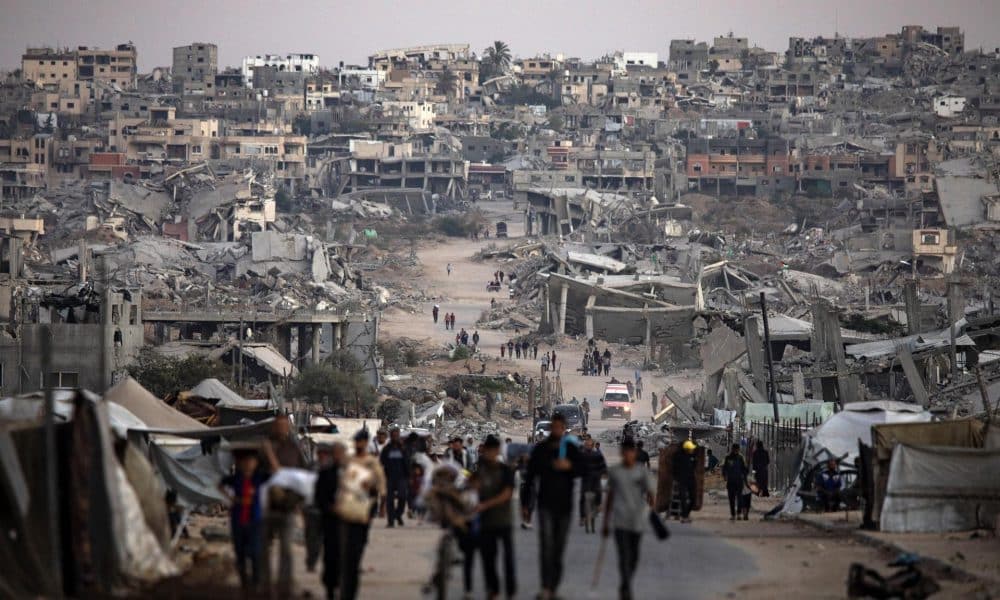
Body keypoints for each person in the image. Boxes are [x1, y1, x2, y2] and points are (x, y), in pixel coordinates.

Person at [527, 412, 580, 600]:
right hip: (545, 504)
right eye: (554, 427)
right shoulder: (542, 449)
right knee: (546, 547)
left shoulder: (571, 449)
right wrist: (526, 504)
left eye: (560, 428)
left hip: (564, 506)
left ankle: (554, 587)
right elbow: (530, 476)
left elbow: (583, 469)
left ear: (564, 429)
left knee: (558, 549)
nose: (557, 430)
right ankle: (545, 587)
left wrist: (569, 467)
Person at [603, 438, 654, 600]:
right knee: (623, 555)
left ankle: (626, 583)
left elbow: (651, 494)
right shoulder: (615, 471)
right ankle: (626, 586)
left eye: (630, 452)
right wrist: (605, 522)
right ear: (621, 453)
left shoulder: (642, 472)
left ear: (634, 453)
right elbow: (610, 497)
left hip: (637, 521)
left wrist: (651, 512)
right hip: (620, 521)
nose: (627, 455)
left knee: (634, 556)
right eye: (624, 452)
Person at [261, 414, 306, 597]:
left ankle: (284, 585)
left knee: (286, 549)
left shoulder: (294, 448)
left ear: (288, 428)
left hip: (287, 507)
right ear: (274, 427)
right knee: (263, 549)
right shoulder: (264, 448)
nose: (281, 429)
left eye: (284, 425)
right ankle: (264, 585)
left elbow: (302, 475)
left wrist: (298, 502)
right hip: (267, 508)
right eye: (278, 425)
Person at [339, 430, 387, 600]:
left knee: (360, 535)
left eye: (360, 441)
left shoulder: (371, 462)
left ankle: (356, 560)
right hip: (349, 503)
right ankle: (350, 563)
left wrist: (382, 505)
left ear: (365, 442)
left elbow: (380, 483)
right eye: (356, 441)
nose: (357, 444)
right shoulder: (349, 461)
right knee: (347, 537)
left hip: (367, 505)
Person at [473, 435, 517, 599]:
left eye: (493, 450)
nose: (490, 454)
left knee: (508, 558)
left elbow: (507, 494)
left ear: (497, 451)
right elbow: (473, 486)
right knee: (488, 557)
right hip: (486, 522)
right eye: (488, 450)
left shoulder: (505, 470)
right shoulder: (481, 470)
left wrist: (485, 505)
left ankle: (510, 590)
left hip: (503, 520)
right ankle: (493, 589)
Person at [220, 449, 267, 593]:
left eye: (251, 461)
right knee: (239, 552)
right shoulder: (236, 478)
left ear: (256, 463)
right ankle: (244, 582)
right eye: (245, 462)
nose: (247, 464)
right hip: (238, 520)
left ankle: (256, 582)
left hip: (255, 521)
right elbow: (220, 485)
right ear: (240, 463)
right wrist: (233, 499)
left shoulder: (259, 477)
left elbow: (276, 474)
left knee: (255, 552)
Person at [314, 442, 347, 600]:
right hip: (330, 522)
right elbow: (318, 497)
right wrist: (329, 508)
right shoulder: (325, 473)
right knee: (330, 555)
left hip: (348, 523)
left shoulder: (352, 473)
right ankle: (330, 587)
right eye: (336, 454)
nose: (338, 457)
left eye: (341, 453)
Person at [380, 427, 410, 527]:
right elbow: (382, 461)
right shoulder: (387, 449)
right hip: (390, 477)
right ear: (391, 436)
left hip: (402, 477)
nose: (395, 437)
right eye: (393, 435)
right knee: (390, 499)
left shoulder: (403, 448)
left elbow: (408, 462)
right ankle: (391, 521)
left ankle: (398, 514)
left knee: (402, 497)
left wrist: (409, 476)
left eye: (397, 435)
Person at [578, 436, 607, 533]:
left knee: (598, 491)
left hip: (595, 478)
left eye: (589, 445)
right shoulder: (582, 455)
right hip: (586, 479)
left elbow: (603, 466)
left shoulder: (597, 455)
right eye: (586, 445)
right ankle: (582, 517)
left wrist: (604, 473)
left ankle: (598, 505)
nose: (587, 447)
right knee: (582, 497)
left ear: (592, 446)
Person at [672, 439, 698, 523]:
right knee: (682, 498)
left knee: (693, 499)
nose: (691, 450)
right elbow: (674, 468)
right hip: (681, 480)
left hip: (691, 480)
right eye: (690, 449)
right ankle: (684, 516)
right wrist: (676, 479)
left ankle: (686, 514)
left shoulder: (692, 456)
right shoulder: (678, 456)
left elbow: (694, 465)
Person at [722, 444, 749, 521]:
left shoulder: (740, 458)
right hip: (731, 481)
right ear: (733, 449)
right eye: (735, 449)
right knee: (732, 499)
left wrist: (744, 476)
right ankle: (733, 514)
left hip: (738, 481)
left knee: (739, 498)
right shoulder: (728, 458)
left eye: (737, 449)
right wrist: (725, 475)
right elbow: (724, 468)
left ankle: (738, 514)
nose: (736, 451)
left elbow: (745, 469)